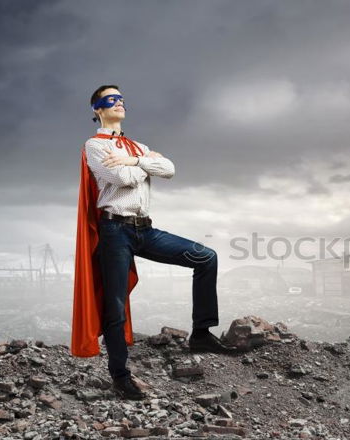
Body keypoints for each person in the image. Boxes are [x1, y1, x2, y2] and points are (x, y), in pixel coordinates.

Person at [72, 84, 234, 401]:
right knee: (115, 307)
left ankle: (201, 332)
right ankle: (121, 376)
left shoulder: (136, 146)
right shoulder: (94, 145)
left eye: (120, 98)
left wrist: (133, 160)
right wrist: (145, 163)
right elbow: (121, 179)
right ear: (97, 109)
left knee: (206, 257)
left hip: (144, 229)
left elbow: (169, 170)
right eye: (110, 99)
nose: (118, 102)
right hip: (114, 230)